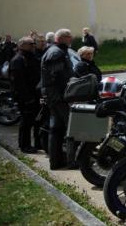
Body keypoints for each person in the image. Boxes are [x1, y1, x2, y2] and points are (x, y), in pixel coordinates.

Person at [40, 28, 76, 169]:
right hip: (59, 97)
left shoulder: (58, 51)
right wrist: (68, 95)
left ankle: (56, 161)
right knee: (69, 128)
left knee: (57, 129)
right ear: (61, 38)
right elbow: (57, 77)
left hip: (56, 96)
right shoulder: (56, 53)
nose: (71, 38)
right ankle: (70, 161)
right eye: (68, 36)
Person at [10, 36, 41, 153]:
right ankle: (24, 145)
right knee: (26, 121)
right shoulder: (18, 60)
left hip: (33, 94)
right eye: (30, 44)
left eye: (34, 44)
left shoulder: (30, 57)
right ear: (22, 45)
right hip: (25, 96)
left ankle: (33, 143)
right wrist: (27, 98)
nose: (33, 46)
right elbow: (18, 82)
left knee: (31, 120)